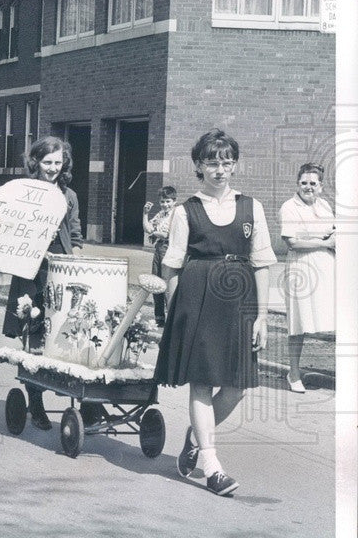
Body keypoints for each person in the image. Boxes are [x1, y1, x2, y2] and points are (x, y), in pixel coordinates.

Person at [155, 129, 276, 496]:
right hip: (197, 301)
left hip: (239, 303)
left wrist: (262, 316)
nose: (220, 169)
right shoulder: (184, 211)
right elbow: (172, 266)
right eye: (212, 162)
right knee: (203, 383)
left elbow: (262, 263)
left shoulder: (251, 207)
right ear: (198, 166)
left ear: (235, 165)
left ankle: (196, 436)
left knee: (237, 386)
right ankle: (212, 465)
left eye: (226, 162)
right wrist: (176, 316)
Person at [1, 136, 83, 429]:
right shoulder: (23, 193)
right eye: (47, 162)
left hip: (60, 270)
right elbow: (9, 230)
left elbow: (75, 235)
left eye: (58, 163)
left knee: (65, 331)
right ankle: (35, 403)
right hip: (30, 271)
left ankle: (80, 397)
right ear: (35, 162)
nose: (53, 168)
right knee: (33, 335)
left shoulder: (69, 195)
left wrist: (73, 260)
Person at [279, 163, 335, 393]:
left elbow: (333, 233)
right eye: (304, 183)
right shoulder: (289, 207)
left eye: (313, 183)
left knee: (332, 321)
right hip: (301, 269)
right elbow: (292, 242)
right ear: (298, 184)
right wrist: (323, 243)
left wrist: (332, 243)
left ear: (321, 186)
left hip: (327, 268)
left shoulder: (325, 205)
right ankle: (293, 373)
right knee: (298, 324)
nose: (308, 187)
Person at [143, 186, 178, 327]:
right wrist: (145, 213)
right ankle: (159, 319)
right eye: (163, 202)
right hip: (159, 248)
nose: (165, 205)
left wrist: (154, 233)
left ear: (174, 201)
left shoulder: (175, 214)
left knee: (167, 284)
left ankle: (171, 319)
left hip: (169, 248)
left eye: (168, 201)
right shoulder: (161, 214)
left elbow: (166, 234)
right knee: (155, 282)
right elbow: (148, 229)